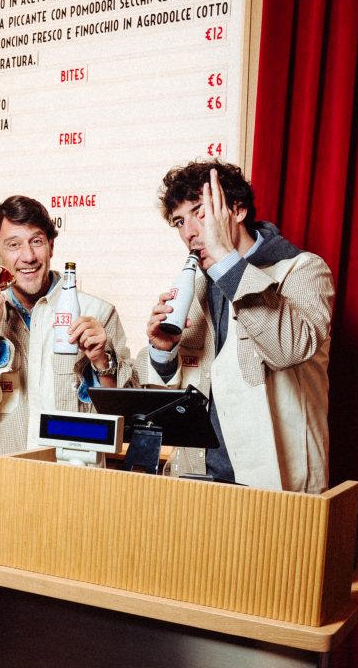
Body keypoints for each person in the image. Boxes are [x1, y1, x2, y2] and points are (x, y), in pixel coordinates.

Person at [136, 160, 333, 492]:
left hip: (276, 484)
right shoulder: (196, 285)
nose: (189, 232)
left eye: (201, 212)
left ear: (238, 210)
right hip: (197, 479)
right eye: (180, 221)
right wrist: (162, 352)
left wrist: (228, 263)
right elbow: (177, 396)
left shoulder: (304, 270)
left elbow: (288, 348)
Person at [0, 194, 135, 485]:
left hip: (75, 485)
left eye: (37, 241)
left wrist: (102, 361)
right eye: (13, 245)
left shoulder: (97, 313)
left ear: (51, 245)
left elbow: (122, 419)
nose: (28, 256)